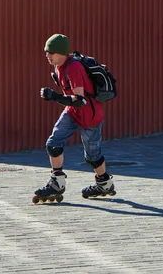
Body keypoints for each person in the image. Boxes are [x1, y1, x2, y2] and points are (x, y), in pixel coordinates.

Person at [34, 33, 116, 200]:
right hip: (71, 112)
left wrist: (54, 96)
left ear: (61, 53)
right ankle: (57, 182)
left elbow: (80, 100)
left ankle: (104, 183)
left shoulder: (74, 68)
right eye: (46, 51)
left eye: (51, 52)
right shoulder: (58, 67)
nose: (47, 55)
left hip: (89, 117)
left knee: (92, 157)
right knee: (53, 144)